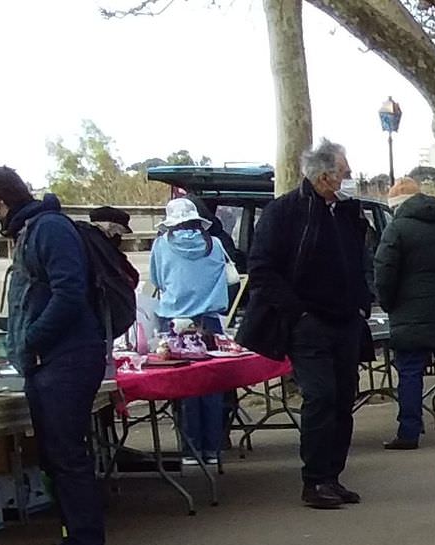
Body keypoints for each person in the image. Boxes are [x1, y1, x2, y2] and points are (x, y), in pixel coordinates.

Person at [0, 166, 115, 545]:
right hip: (48, 361)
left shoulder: (49, 230)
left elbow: (69, 293)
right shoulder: (30, 232)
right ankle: (73, 542)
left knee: (68, 456)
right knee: (55, 458)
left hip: (67, 359)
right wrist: (6, 330)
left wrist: (32, 341)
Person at [240, 139, 373, 510]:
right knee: (320, 396)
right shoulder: (284, 213)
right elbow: (262, 269)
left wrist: (364, 300)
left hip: (346, 319)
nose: (348, 177)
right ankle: (314, 480)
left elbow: (361, 260)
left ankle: (332, 475)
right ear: (325, 176)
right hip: (308, 322)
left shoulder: (347, 213)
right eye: (343, 172)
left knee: (345, 398)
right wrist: (296, 312)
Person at [373, 178, 435, 449]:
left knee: (410, 374)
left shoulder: (396, 231)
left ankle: (409, 433)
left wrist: (388, 303)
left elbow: (384, 273)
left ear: (397, 206)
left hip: (409, 315)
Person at [149, 196, 233, 463]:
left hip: (174, 322)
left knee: (185, 387)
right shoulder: (215, 244)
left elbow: (157, 279)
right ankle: (213, 448)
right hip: (210, 322)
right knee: (210, 384)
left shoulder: (161, 245)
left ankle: (190, 449)